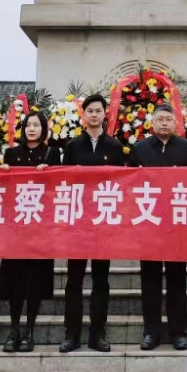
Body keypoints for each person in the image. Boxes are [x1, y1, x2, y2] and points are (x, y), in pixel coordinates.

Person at [129, 103, 187, 351]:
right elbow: (129, 184)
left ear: (176, 122)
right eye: (160, 119)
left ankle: (178, 332)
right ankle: (151, 331)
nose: (165, 123)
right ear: (152, 123)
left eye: (169, 119)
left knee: (177, 279)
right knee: (150, 280)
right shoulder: (139, 149)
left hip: (177, 224)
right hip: (149, 223)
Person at [59, 93, 125, 354]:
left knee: (101, 280)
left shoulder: (115, 146)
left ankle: (97, 334)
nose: (94, 115)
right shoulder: (72, 146)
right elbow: (63, 181)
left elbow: (122, 182)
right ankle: (71, 334)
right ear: (84, 115)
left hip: (103, 222)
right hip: (78, 221)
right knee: (74, 280)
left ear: (105, 114)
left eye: (98, 111)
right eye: (90, 111)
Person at [0, 110, 59, 353]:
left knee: (35, 281)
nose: (32, 129)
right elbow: (4, 188)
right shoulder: (11, 153)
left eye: (36, 125)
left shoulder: (52, 153)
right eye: (28, 125)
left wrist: (50, 172)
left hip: (41, 227)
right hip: (16, 227)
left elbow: (61, 187)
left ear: (44, 129)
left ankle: (29, 330)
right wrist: (3, 173)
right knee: (15, 281)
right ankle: (14, 329)